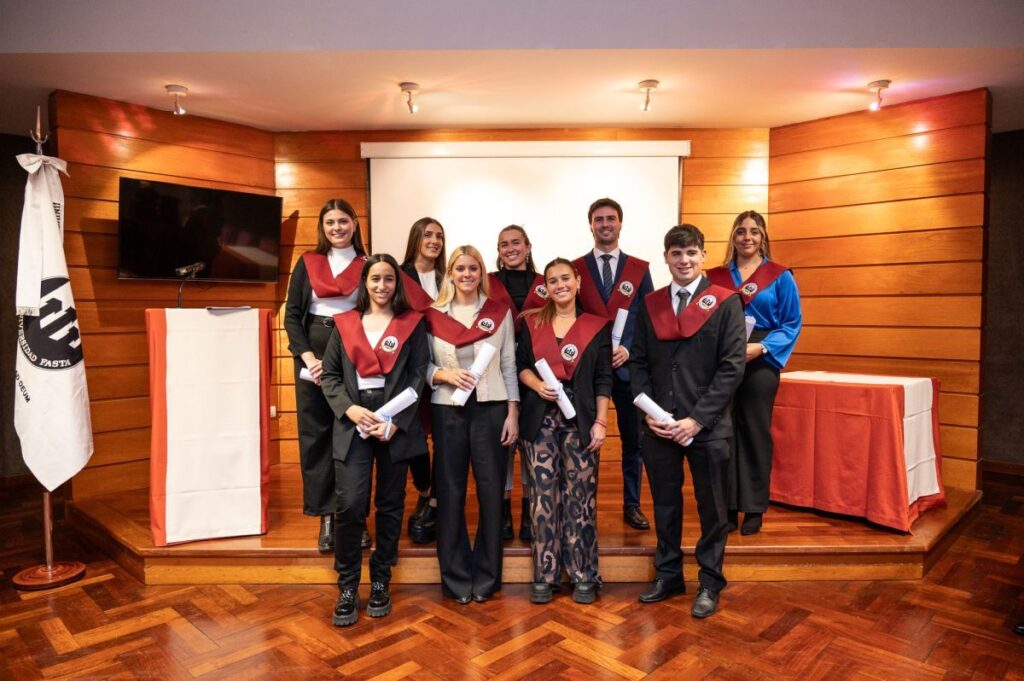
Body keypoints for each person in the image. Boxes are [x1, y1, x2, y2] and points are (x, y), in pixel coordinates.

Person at [630, 224, 746, 618]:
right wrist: (650, 414)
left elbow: (732, 368)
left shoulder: (725, 302)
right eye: (676, 253)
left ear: (703, 256)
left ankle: (710, 582)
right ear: (666, 257)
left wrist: (696, 420)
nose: (684, 260)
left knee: (713, 508)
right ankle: (668, 575)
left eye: (691, 253)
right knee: (665, 504)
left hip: (707, 427)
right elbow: (638, 362)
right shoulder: (651, 304)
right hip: (660, 426)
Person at [319, 254, 429, 626]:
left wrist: (398, 421)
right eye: (375, 279)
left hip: (394, 422)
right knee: (351, 505)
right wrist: (349, 410)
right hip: (354, 420)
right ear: (365, 283)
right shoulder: (345, 324)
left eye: (389, 279)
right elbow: (330, 376)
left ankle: (381, 578)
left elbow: (418, 376)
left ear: (397, 284)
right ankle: (348, 585)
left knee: (390, 505)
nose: (382, 286)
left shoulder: (412, 324)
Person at [424, 245, 519, 603]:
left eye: (473, 268)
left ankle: (487, 576)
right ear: (450, 273)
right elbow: (421, 365)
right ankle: (456, 577)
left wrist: (513, 412)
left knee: (491, 493)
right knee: (450, 492)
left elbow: (508, 364)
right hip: (447, 409)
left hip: (491, 408)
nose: (466, 274)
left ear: (482, 273)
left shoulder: (498, 312)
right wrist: (444, 374)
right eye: (460, 268)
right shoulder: (432, 315)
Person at [516, 258, 611, 605]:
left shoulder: (596, 327)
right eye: (553, 280)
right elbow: (521, 366)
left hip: (581, 422)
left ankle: (584, 573)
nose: (560, 285)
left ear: (578, 282)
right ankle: (545, 574)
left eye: (565, 278)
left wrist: (601, 422)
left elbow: (603, 379)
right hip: (539, 420)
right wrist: (536, 385)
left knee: (580, 498)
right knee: (542, 498)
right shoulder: (532, 323)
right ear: (546, 287)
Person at [707, 210, 802, 535]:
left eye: (754, 232)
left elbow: (791, 322)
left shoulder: (780, 276)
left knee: (755, 429)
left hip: (761, 355)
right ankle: (728, 506)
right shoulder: (715, 276)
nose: (747, 237)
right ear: (732, 237)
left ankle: (754, 506)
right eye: (741, 231)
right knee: (723, 430)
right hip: (722, 355)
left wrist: (760, 348)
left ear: (763, 238)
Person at [284, 198, 369, 552]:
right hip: (312, 359)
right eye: (330, 222)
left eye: (343, 221)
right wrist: (308, 359)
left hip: (352, 354)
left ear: (354, 224)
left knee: (352, 435)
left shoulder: (367, 264)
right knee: (317, 436)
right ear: (323, 227)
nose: (337, 228)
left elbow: (374, 312)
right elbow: (292, 315)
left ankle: (355, 516)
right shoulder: (308, 262)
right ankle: (327, 517)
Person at [573, 198, 654, 532]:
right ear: (590, 225)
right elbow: (571, 318)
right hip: (590, 371)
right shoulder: (576, 270)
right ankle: (584, 503)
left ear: (620, 223)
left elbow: (648, 318)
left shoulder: (639, 270)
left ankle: (632, 504)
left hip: (628, 368)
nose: (605, 224)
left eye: (610, 218)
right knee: (588, 439)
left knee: (634, 441)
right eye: (598, 219)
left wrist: (630, 350)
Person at [489, 224, 548, 542]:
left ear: (528, 247)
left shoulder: (545, 283)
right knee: (503, 442)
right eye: (504, 244)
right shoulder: (487, 282)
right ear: (498, 251)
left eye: (516, 243)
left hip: (535, 371)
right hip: (496, 370)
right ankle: (503, 510)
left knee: (529, 439)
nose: (510, 248)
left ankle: (528, 508)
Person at [399, 217, 447, 544]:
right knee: (415, 435)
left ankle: (436, 501)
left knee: (443, 436)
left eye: (439, 236)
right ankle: (424, 488)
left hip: (445, 365)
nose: (434, 241)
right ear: (416, 237)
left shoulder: (449, 277)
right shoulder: (400, 275)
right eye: (428, 235)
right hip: (410, 366)